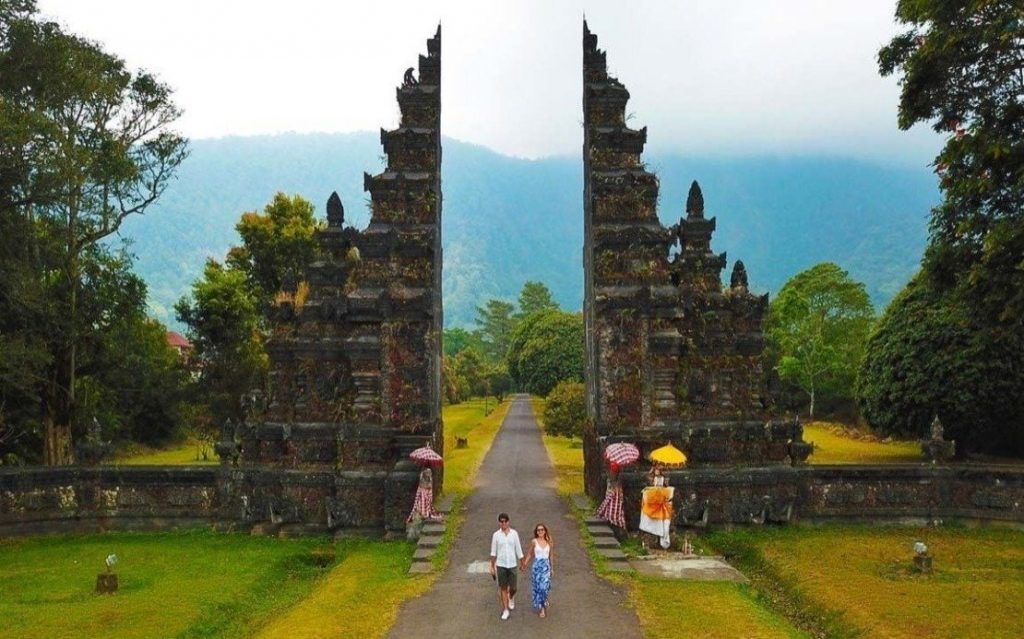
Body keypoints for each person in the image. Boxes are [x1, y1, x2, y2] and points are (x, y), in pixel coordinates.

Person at [489, 512, 525, 620]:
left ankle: (511, 597)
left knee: (513, 587)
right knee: (503, 587)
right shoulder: (496, 535)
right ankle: (505, 609)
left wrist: (522, 562)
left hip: (512, 564)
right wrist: (492, 566)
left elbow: (518, 549)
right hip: (501, 565)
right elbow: (493, 552)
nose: (503, 523)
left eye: (505, 521)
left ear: (508, 522)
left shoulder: (514, 534)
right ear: (499, 523)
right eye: (501, 521)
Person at [522, 522, 554, 618]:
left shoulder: (549, 542)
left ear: (545, 531)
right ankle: (542, 609)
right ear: (536, 532)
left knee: (544, 587)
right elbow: (530, 554)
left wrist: (552, 568)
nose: (540, 531)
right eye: (538, 530)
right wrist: (524, 564)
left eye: (542, 530)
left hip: (546, 566)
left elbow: (551, 556)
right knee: (539, 588)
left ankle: (544, 600)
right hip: (537, 567)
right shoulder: (534, 541)